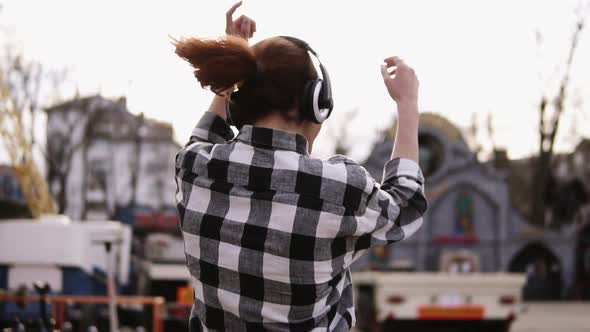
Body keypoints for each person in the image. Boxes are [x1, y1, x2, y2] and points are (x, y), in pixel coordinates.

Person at [174, 2, 427, 331]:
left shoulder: (194, 168)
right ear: (316, 103)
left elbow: (206, 132)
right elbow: (406, 203)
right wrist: (407, 105)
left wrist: (231, 64)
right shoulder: (338, 191)